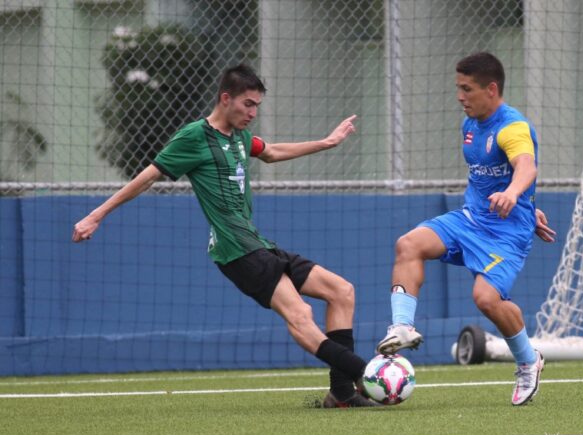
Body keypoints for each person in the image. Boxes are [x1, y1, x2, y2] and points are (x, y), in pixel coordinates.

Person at [73, 64, 378, 408]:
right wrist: (96, 215)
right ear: (225, 98)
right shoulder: (194, 137)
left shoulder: (241, 137)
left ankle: (341, 393)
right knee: (300, 315)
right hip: (237, 252)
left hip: (259, 243)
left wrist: (328, 142)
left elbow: (273, 152)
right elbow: (148, 177)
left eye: (257, 106)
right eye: (248, 104)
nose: (253, 112)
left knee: (341, 291)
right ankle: (367, 373)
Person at [376, 52, 554, 406]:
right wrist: (526, 203)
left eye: (467, 89)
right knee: (408, 245)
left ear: (491, 89)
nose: (460, 96)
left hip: (506, 231)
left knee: (485, 299)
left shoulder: (512, 126)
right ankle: (402, 328)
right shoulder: (470, 124)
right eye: (458, 88)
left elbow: (526, 166)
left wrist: (516, 196)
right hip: (470, 218)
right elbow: (492, 176)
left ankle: (528, 360)